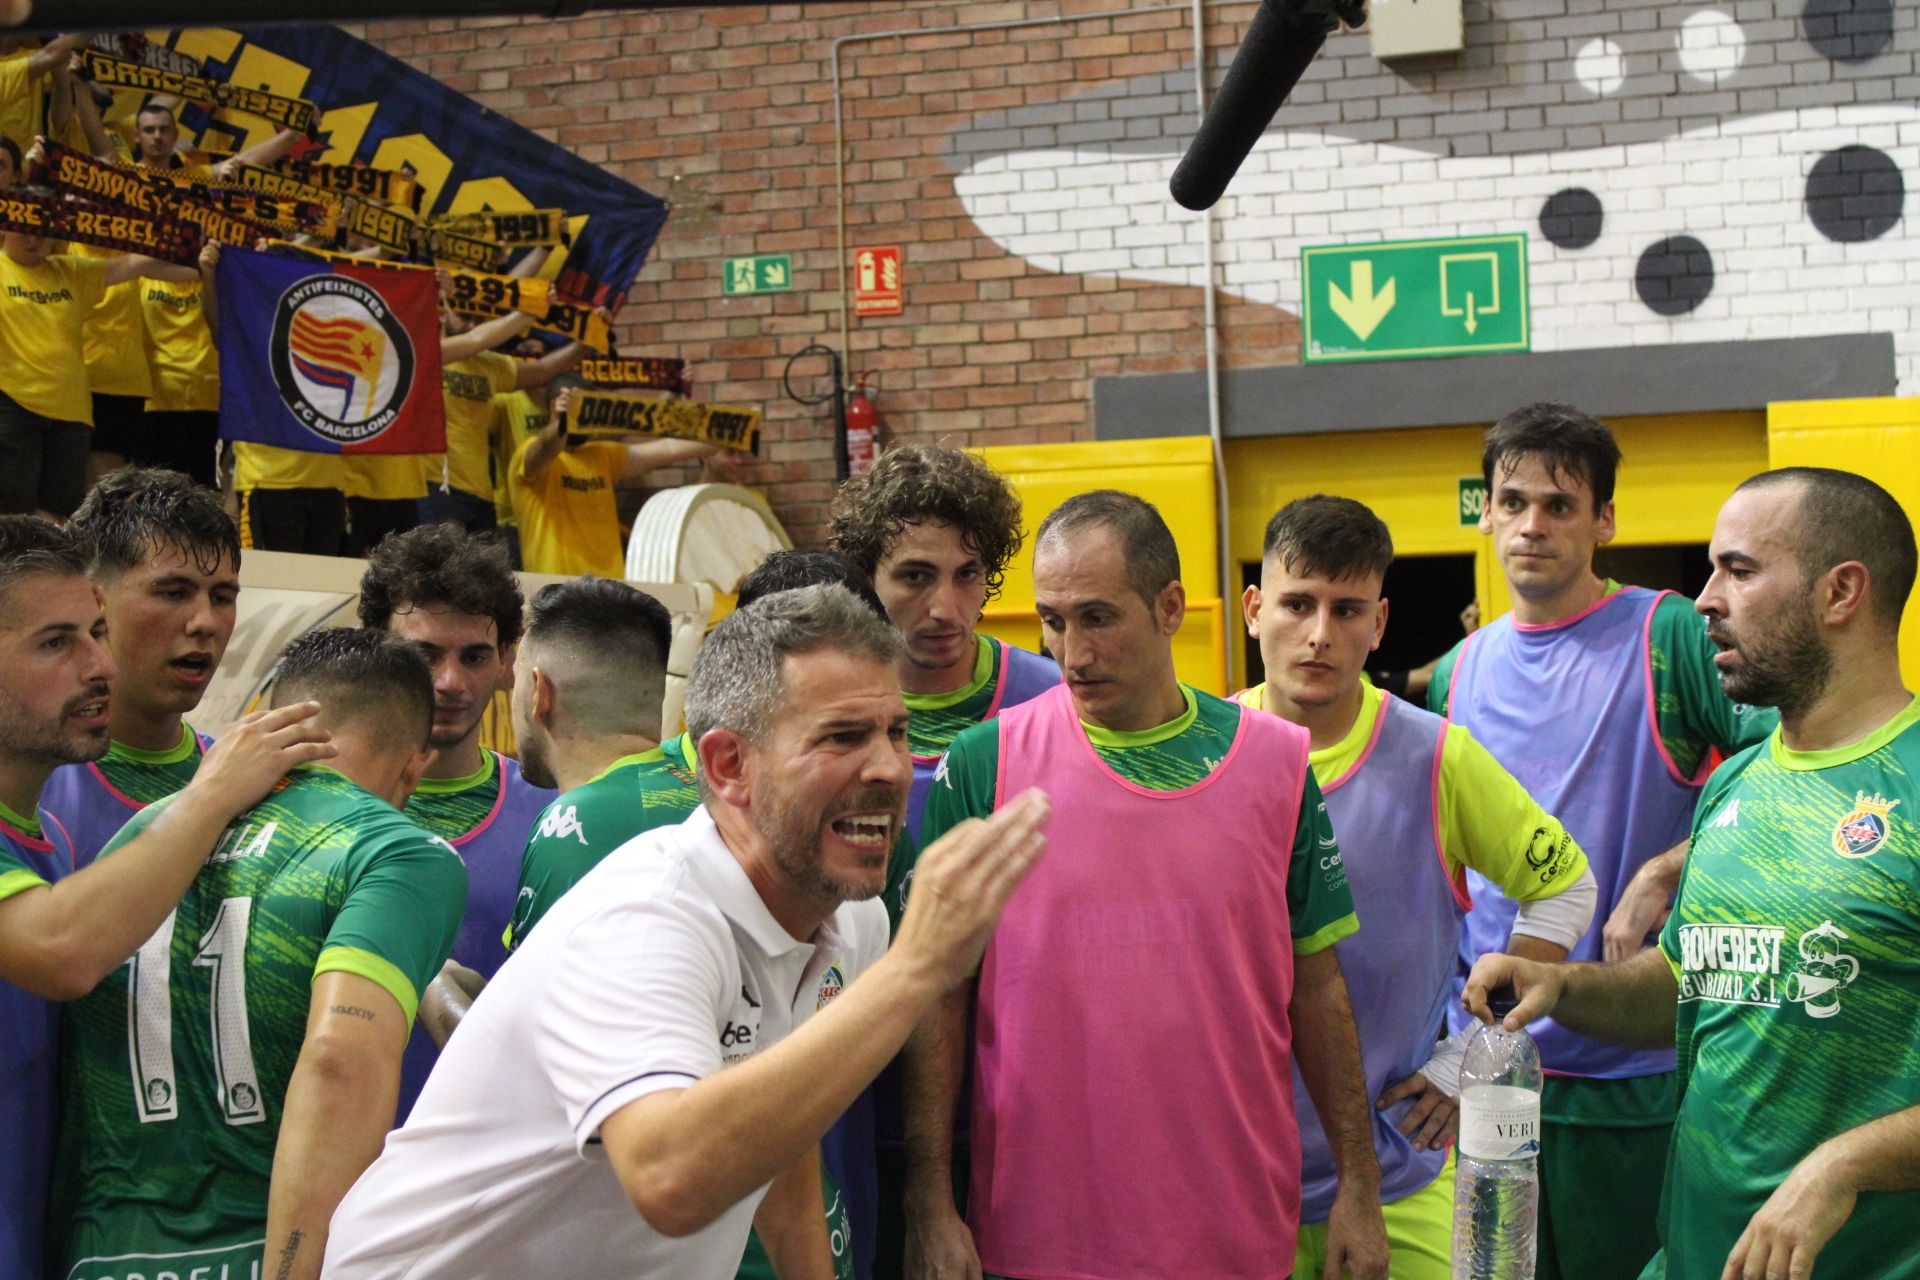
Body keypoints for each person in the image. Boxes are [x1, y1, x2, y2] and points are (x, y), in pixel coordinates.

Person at [322, 584, 1052, 1280]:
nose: (892, 768)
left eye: (897, 731)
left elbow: (784, 1151)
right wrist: (918, 967)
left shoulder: (848, 915)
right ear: (728, 765)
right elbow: (670, 1181)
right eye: (843, 737)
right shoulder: (646, 917)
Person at [908, 490, 1388, 1280]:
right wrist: (930, 1201)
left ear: (1170, 608)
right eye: (1052, 621)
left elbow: (1318, 987)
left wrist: (1358, 1188)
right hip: (1037, 1237)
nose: (1071, 651)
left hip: (1233, 1231)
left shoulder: (1274, 762)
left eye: (1097, 617)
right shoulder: (983, 765)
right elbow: (937, 994)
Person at [1466, 466, 1920, 1280]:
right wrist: (1563, 987)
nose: (1705, 599)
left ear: (1841, 592)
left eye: (1739, 571)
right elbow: (1688, 984)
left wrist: (1844, 1164)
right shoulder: (1734, 786)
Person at [1427, 402, 1779, 1280]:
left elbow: (1793, 771)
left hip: (1635, 1069)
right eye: (1513, 502)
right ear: (1485, 512)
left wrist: (1671, 864)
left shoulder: (1668, 636)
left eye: (1559, 505)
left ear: (1604, 521)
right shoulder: (1455, 672)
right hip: (1492, 1070)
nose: (1532, 525)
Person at [1236, 495, 1597, 1280]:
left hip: (1398, 1181)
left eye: (1347, 608)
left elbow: (1567, 885)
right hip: (1229, 1188)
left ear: (1381, 623)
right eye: (1298, 604)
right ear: (1255, 610)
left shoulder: (1437, 756)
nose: (1321, 633)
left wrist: (1476, 1047)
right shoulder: (1208, 756)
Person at [48, 627, 467, 1280]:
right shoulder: (396, 850)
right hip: (255, 1256)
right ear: (415, 764)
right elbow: (339, 1059)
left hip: (102, 1255)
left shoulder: (147, 834)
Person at [0, 514, 334, 1279]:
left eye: (93, 633)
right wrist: (208, 798)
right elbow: (60, 951)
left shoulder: (44, 836)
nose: (101, 665)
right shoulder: (178, 806)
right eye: (58, 643)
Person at [354, 523, 552, 1115]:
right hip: (354, 1171)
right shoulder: (322, 815)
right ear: (377, 651)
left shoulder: (554, 816)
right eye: (425, 654)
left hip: (503, 1167)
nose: (450, 682)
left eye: (474, 656)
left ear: (508, 663)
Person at [828, 444, 1058, 843]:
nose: (946, 610)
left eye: (967, 574)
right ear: (866, 575)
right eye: (916, 577)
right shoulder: (829, 704)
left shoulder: (1053, 697)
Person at [41, 468, 240, 866]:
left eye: (222, 597)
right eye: (173, 593)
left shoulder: (243, 778)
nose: (205, 622)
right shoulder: (27, 778)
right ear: (92, 599)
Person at [0, 185, 213, 516]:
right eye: (26, 229)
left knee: (63, 514)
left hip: (71, 413)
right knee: (12, 515)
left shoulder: (67, 270)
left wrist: (191, 234)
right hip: (13, 407)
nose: (35, 240)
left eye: (43, 230)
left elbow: (131, 264)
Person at [509, 384, 720, 578]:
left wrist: (734, 434)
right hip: (554, 596)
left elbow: (669, 449)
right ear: (552, 409)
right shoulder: (527, 453)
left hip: (610, 595)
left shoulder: (602, 455)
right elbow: (546, 448)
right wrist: (559, 423)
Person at [424, 311, 583, 533]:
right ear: (441, 313)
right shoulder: (427, 354)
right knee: (439, 565)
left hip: (481, 492)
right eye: (463, 317)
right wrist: (532, 310)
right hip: (436, 485)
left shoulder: (490, 364)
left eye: (478, 319)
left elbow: (542, 371)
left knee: (482, 568)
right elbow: (477, 339)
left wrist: (586, 342)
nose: (471, 324)